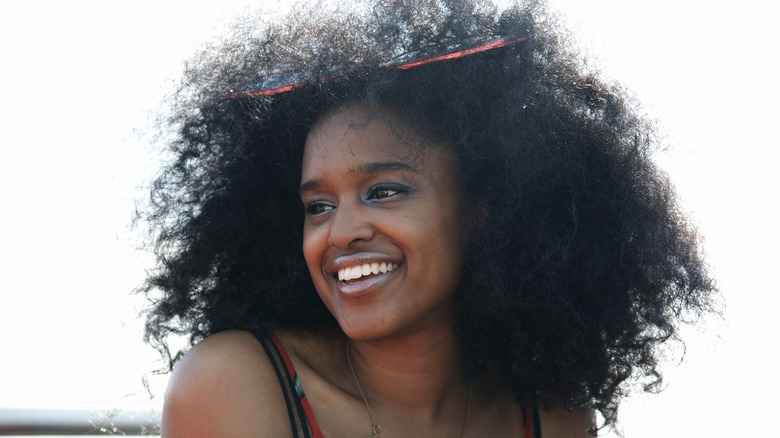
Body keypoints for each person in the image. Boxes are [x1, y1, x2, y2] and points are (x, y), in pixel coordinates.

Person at [140, 0, 717, 436]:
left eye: (384, 191)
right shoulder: (234, 382)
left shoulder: (551, 413)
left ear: (482, 205)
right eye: (318, 206)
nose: (341, 232)